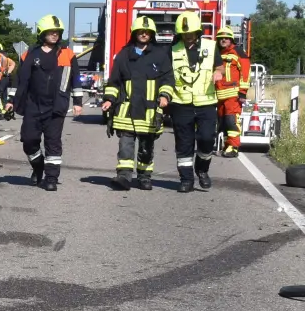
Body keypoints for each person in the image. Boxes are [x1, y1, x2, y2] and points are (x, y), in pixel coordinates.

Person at [99, 17, 172, 191]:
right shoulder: (124, 55)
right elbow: (114, 81)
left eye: (147, 32)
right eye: (140, 31)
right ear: (134, 33)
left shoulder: (160, 55)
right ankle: (124, 176)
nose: (144, 34)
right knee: (125, 145)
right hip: (127, 110)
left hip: (149, 111)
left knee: (146, 147)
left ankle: (144, 177)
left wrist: (164, 95)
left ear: (152, 34)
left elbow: (168, 79)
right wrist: (109, 99)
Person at [9, 15, 73, 191]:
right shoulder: (30, 54)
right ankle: (38, 167)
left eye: (57, 32)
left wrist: (78, 102)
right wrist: (11, 101)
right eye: (51, 31)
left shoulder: (67, 54)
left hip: (56, 107)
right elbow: (20, 79)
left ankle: (51, 178)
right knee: (29, 141)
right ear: (42, 33)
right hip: (33, 106)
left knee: (53, 143)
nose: (55, 34)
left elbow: (74, 79)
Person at [168, 11, 219, 192]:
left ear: (198, 31)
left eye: (191, 33)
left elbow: (219, 66)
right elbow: (167, 74)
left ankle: (202, 169)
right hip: (181, 103)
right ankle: (186, 180)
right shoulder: (172, 50)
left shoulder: (211, 46)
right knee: (184, 144)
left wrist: (218, 72)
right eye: (184, 33)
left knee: (207, 139)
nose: (188, 36)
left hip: (206, 102)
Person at [213, 25, 250, 157]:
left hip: (233, 94)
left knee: (231, 120)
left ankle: (233, 147)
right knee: (222, 121)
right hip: (218, 94)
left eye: (226, 38)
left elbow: (245, 72)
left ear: (231, 39)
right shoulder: (215, 53)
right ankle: (225, 145)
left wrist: (242, 92)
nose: (223, 40)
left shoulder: (238, 52)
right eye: (221, 38)